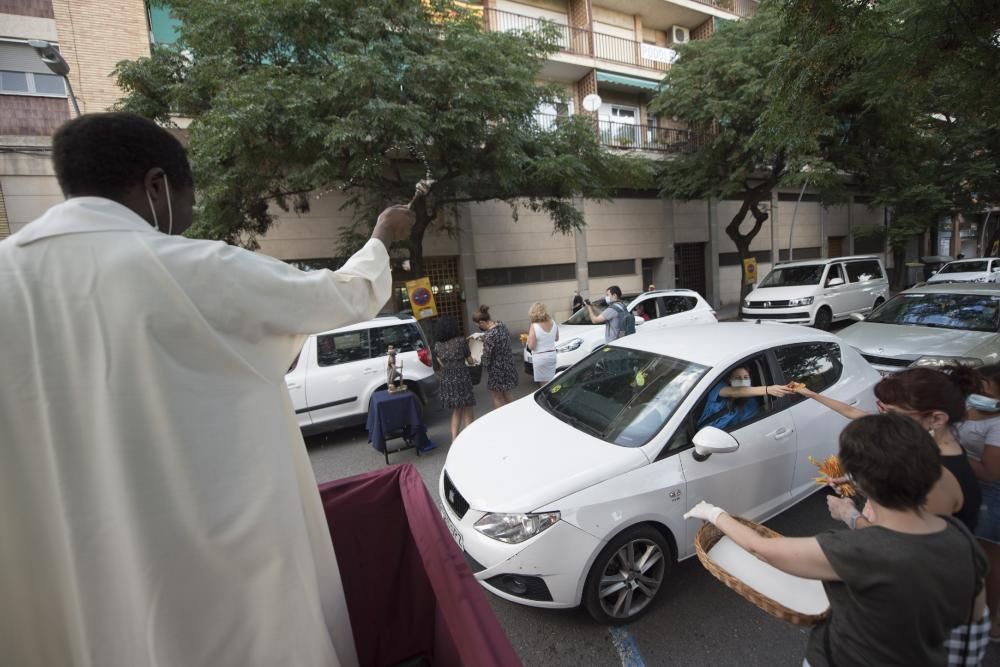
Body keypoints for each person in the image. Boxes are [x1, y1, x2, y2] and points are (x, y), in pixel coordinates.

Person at [0, 112, 414, 667]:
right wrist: (382, 237)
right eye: (188, 195)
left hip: (64, 586)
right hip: (214, 593)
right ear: (156, 186)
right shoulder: (189, 267)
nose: (188, 216)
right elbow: (338, 297)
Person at [686, 414, 988, 667]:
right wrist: (851, 514)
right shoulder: (958, 535)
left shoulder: (856, 551)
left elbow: (761, 548)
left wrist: (714, 514)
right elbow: (973, 614)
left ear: (858, 480)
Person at [796, 366, 982, 532]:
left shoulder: (936, 480)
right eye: (881, 409)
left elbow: (901, 546)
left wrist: (848, 514)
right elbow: (852, 412)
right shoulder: (921, 445)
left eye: (892, 413)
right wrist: (865, 484)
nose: (882, 419)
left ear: (937, 419)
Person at [956, 364, 1000, 641]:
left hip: (990, 494)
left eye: (984, 388)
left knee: (988, 560)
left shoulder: (997, 425)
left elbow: (990, 471)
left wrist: (949, 449)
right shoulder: (964, 407)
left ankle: (990, 617)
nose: (976, 392)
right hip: (961, 483)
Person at [697, 366, 793, 430]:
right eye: (737, 378)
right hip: (698, 432)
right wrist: (768, 390)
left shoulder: (752, 404)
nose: (742, 381)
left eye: (746, 377)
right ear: (729, 380)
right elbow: (735, 392)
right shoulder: (719, 388)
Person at [433, 316, 476, 442]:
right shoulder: (461, 341)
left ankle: (454, 439)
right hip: (461, 377)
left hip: (447, 379)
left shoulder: (437, 345)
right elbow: (470, 360)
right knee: (467, 407)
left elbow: (440, 363)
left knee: (456, 410)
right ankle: (470, 438)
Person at [473, 305, 518, 408]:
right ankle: (515, 414)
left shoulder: (490, 335)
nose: (480, 328)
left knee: (497, 397)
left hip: (497, 370)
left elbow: (486, 359)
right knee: (507, 393)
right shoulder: (502, 325)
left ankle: (502, 419)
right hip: (508, 365)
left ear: (482, 322)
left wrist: (478, 356)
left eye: (479, 325)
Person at [526, 302, 559, 384]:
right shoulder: (553, 322)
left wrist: (527, 339)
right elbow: (556, 338)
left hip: (540, 357)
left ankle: (547, 397)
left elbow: (531, 346)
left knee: (544, 386)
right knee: (551, 383)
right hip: (552, 355)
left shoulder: (534, 325)